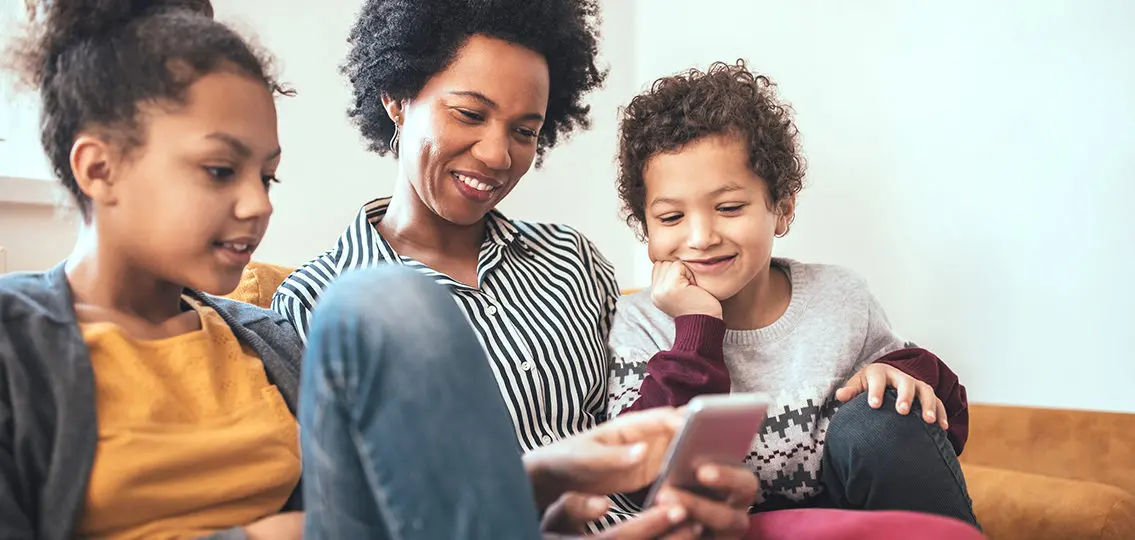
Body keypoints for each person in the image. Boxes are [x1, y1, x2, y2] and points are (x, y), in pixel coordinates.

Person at [0, 1, 760, 539]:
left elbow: (381, 510)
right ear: (98, 167)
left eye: (267, 177)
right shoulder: (25, 344)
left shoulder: (262, 343)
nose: (256, 207)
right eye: (219, 170)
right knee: (383, 296)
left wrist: (548, 480)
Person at [271, 0, 757, 531]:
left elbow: (631, 435)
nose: (498, 154)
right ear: (397, 97)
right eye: (470, 114)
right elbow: (353, 513)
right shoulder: (314, 304)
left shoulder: (572, 261)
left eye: (525, 131)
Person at [606, 60, 980, 529]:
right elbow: (636, 479)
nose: (700, 237)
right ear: (646, 228)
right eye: (671, 218)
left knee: (882, 418)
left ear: (781, 210)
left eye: (728, 207)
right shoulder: (640, 322)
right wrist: (696, 329)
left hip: (843, 525)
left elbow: (937, 422)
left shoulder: (839, 297)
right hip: (722, 532)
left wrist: (900, 373)